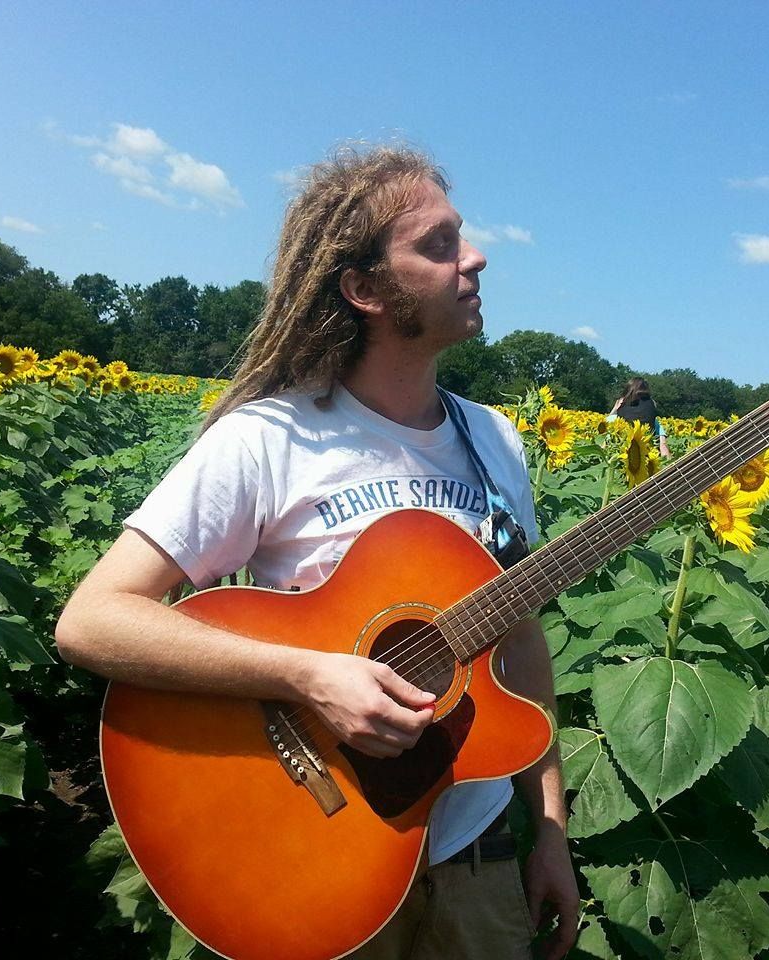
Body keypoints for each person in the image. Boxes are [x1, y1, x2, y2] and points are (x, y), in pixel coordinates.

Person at [55, 145, 578, 960]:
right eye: (438, 244)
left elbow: (521, 644)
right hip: (320, 856)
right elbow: (92, 621)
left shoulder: (494, 441)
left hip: (477, 860)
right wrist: (310, 677)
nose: (475, 258)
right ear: (365, 289)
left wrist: (550, 829)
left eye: (462, 236)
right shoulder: (271, 439)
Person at [610, 376, 671, 459]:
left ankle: (604, 450)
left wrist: (615, 408)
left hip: (625, 437)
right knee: (656, 423)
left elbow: (612, 414)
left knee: (611, 420)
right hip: (646, 437)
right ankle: (665, 454)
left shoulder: (622, 400)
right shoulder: (652, 402)